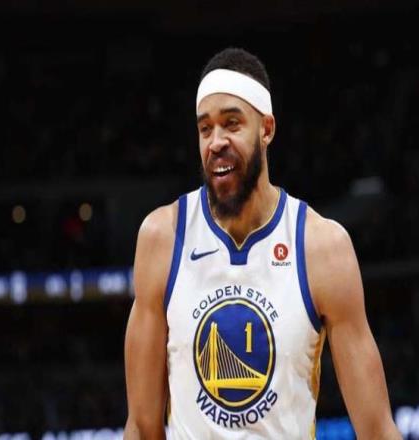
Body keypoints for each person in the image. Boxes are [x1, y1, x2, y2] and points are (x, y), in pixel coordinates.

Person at [124, 47, 402, 440]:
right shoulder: (162, 238)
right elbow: (141, 426)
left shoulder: (321, 247)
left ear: (266, 129)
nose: (216, 141)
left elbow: (377, 429)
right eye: (205, 129)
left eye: (231, 124)